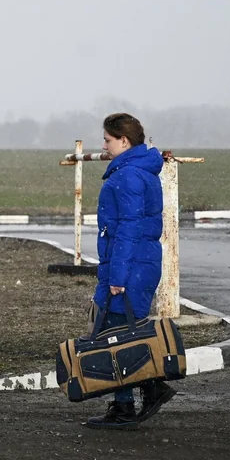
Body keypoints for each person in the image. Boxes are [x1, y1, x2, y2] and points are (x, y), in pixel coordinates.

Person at [85, 113, 175, 430]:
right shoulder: (139, 171)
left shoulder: (128, 177)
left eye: (108, 139)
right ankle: (142, 393)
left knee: (116, 337)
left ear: (124, 141)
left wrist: (117, 278)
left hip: (131, 267)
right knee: (123, 334)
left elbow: (128, 230)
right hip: (139, 264)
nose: (104, 145)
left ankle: (130, 403)